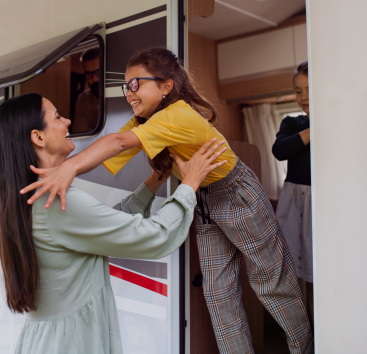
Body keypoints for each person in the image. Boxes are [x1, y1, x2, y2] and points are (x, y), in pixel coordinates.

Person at [21, 48, 313, 354]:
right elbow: (114, 147)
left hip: (236, 192)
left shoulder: (179, 115)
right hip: (203, 198)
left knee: (272, 284)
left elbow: (119, 143)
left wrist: (68, 167)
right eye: (126, 86)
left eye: (136, 84)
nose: (129, 93)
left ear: (166, 86)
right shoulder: (144, 121)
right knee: (218, 295)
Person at [0, 92, 226, 353]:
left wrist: (154, 182)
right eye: (57, 117)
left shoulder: (31, 198)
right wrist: (190, 184)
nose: (68, 121)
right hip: (70, 344)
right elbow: (153, 236)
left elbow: (102, 226)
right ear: (38, 137)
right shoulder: (56, 203)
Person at [272, 60, 313, 320]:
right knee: (292, 270)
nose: (304, 97)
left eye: (309, 89)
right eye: (298, 91)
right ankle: (303, 333)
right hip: (294, 201)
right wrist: (315, 128)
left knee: (318, 268)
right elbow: (280, 151)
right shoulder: (292, 122)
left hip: (320, 202)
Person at [72, 47, 100, 133]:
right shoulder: (84, 100)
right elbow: (80, 135)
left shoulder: (125, 92)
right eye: (89, 74)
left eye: (98, 72)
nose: (95, 79)